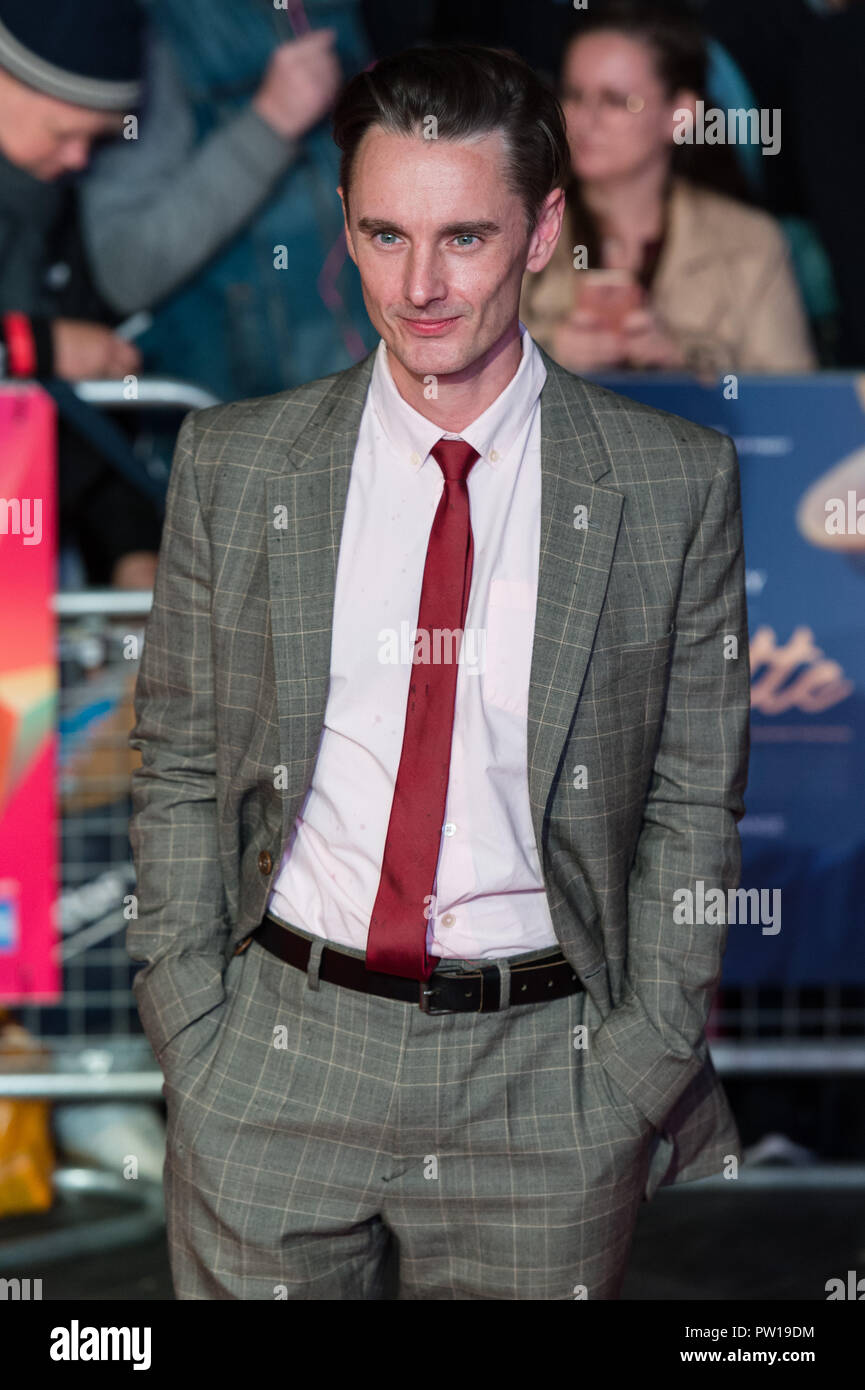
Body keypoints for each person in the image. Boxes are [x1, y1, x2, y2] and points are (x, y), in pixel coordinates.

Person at [127, 42, 749, 1300]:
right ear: (344, 232)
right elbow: (180, 761)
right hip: (274, 1055)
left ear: (540, 232)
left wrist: (634, 1064)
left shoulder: (669, 480)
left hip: (548, 1074)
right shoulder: (237, 465)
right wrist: (191, 1025)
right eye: (383, 235)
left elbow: (694, 804)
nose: (419, 285)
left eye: (463, 237)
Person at [79, 0, 378, 404]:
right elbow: (125, 266)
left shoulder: (352, 13)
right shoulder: (153, 30)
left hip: (386, 399)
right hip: (248, 420)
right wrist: (269, 124)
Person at [519, 1, 817, 377]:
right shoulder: (517, 226)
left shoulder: (752, 242)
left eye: (616, 100)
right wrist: (546, 358)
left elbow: (798, 411)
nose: (584, 119)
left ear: (681, 115)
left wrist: (684, 368)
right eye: (574, 95)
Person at [0, 0, 161, 589]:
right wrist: (35, 345)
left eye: (93, 140)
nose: (77, 159)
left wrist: (134, 552)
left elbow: (85, 419)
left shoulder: (54, 211)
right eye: (64, 133)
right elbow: (53, 353)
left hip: (23, 573)